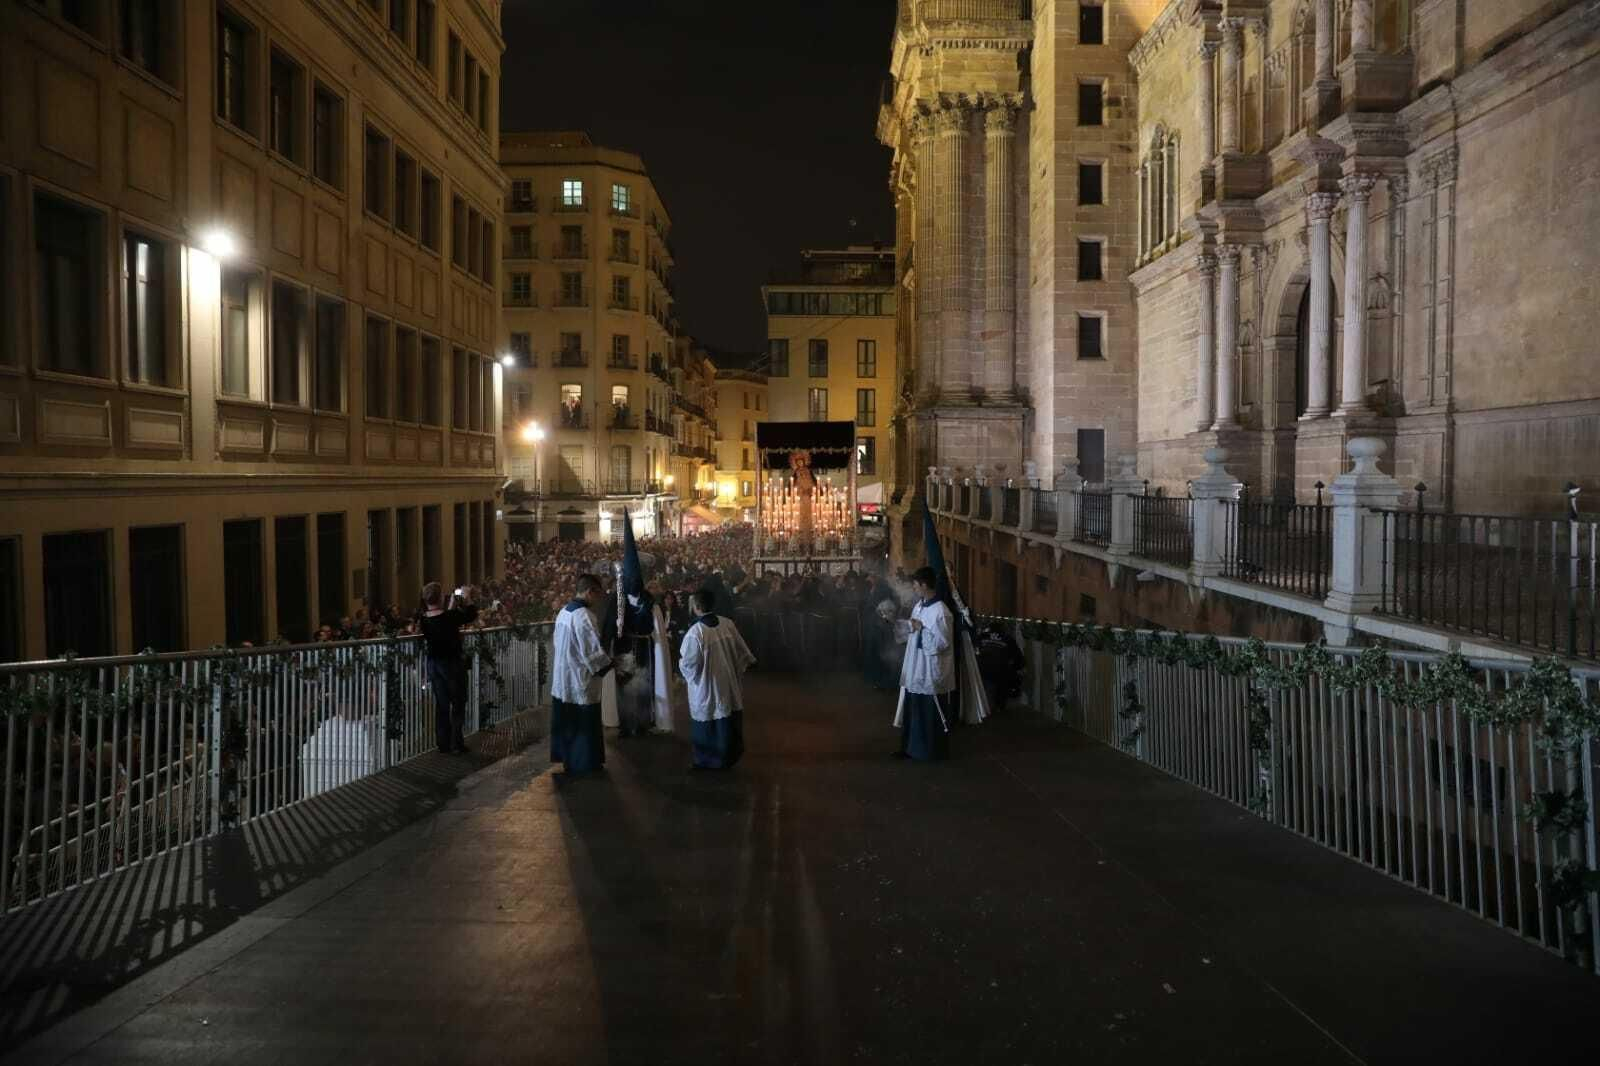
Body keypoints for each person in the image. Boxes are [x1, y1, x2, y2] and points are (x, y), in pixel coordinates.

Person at [678, 586, 756, 771]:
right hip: (728, 682)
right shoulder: (727, 624)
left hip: (706, 686)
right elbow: (742, 651)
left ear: (696, 607)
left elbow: (689, 666)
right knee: (726, 717)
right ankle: (728, 756)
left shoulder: (695, 633)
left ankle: (707, 761)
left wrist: (681, 668)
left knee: (707, 720)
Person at [551, 573, 614, 775]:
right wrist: (609, 664)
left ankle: (570, 760)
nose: (599, 599)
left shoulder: (564, 612)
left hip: (563, 678)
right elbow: (592, 651)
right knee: (583, 722)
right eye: (598, 594)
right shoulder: (584, 616)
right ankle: (584, 763)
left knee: (568, 722)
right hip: (579, 678)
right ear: (590, 592)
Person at [893, 566, 954, 761]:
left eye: (916, 585)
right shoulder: (919, 606)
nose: (914, 589)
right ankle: (910, 749)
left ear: (925, 585)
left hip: (929, 671)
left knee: (927, 712)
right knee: (913, 709)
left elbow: (942, 644)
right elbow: (911, 629)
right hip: (915, 666)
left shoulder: (941, 611)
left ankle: (928, 752)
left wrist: (921, 628)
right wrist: (895, 622)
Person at [417, 582, 479, 754]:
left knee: (442, 704)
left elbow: (441, 620)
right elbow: (471, 615)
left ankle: (442, 743)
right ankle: (456, 743)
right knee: (458, 702)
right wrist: (468, 598)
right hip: (452, 663)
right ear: (440, 597)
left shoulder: (424, 619)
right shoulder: (450, 617)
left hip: (434, 664)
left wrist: (450, 606)